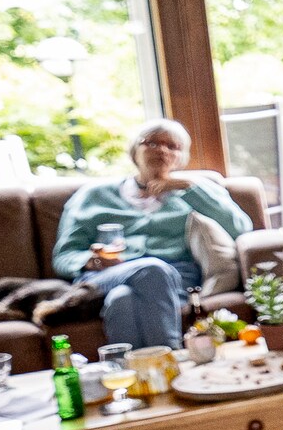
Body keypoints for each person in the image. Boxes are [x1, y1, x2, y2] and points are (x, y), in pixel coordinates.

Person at [51, 118, 253, 349]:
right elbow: (63, 257)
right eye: (152, 143)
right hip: (109, 276)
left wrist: (188, 188)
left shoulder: (195, 190)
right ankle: (174, 360)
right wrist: (91, 260)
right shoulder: (92, 196)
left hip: (175, 280)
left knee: (122, 300)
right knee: (152, 269)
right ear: (134, 151)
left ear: (182, 157)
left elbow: (240, 228)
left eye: (172, 146)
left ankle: (133, 376)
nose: (162, 151)